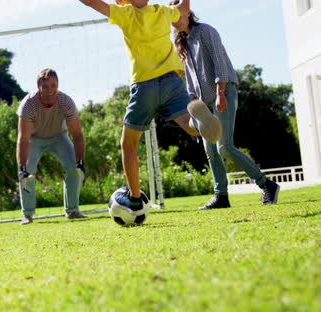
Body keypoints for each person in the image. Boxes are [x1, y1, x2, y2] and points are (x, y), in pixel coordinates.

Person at [79, 0, 220, 209]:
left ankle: (135, 198)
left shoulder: (124, 13)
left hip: (144, 85)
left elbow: (92, 3)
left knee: (128, 145)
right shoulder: (162, 11)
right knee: (189, 126)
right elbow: (184, 9)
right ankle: (200, 124)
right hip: (172, 81)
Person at [170, 3, 280, 209]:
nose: (175, 20)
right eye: (171, 17)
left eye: (178, 15)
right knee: (210, 150)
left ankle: (268, 185)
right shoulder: (182, 43)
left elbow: (220, 63)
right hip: (203, 103)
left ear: (187, 12)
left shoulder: (206, 32)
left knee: (225, 147)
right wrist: (193, 107)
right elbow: (191, 80)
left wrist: (220, 93)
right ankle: (221, 196)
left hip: (223, 91)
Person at [16, 68, 87, 225]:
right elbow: (23, 139)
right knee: (27, 171)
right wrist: (22, 169)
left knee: (73, 166)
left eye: (53, 86)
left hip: (59, 137)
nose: (50, 91)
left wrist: (80, 163)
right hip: (34, 139)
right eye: (45, 87)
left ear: (58, 85)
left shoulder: (66, 102)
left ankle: (72, 211)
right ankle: (27, 215)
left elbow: (77, 135)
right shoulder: (28, 105)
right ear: (38, 88)